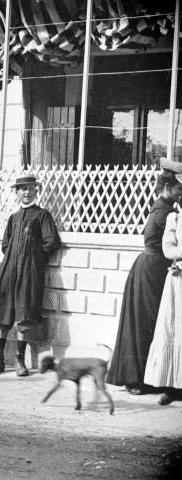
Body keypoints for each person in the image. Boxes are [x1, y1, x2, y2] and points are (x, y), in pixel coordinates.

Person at [107, 160, 182, 395]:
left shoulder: (160, 206)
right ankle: (136, 378)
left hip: (149, 267)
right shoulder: (166, 212)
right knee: (146, 323)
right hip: (152, 270)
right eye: (180, 190)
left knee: (144, 322)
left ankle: (141, 377)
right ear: (169, 188)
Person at [0, 174, 60, 376]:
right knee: (3, 315)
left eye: (30, 188)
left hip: (29, 272)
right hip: (8, 271)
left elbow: (51, 243)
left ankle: (20, 360)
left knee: (24, 315)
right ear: (17, 192)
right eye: (22, 189)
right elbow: (5, 245)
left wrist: (33, 259)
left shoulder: (42, 215)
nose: (26, 192)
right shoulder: (13, 218)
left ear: (36, 190)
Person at [144, 173, 182, 406]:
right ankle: (172, 386)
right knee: (173, 329)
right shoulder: (174, 220)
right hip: (178, 281)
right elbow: (168, 248)